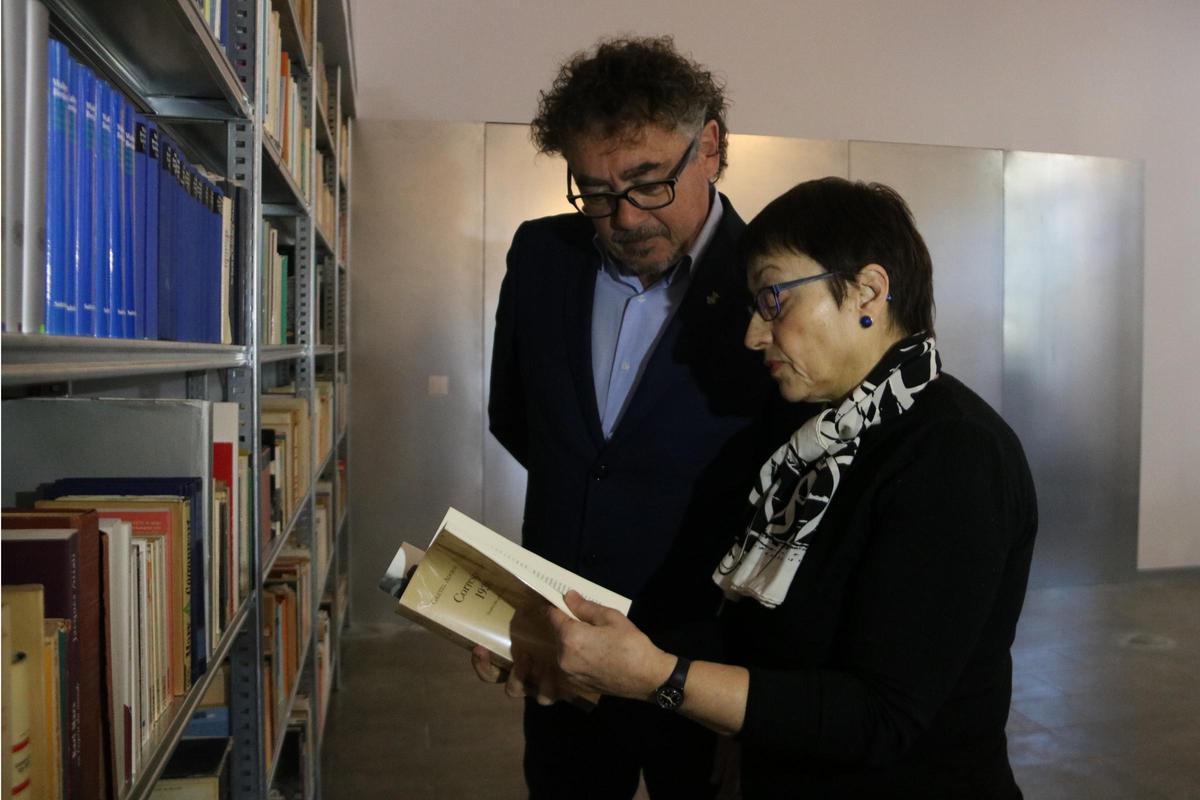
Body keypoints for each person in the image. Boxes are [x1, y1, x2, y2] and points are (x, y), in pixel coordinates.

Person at [485, 177, 1039, 799]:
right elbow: (771, 639)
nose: (752, 334)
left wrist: (662, 678)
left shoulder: (953, 452)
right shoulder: (819, 440)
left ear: (869, 291)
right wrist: (569, 642)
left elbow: (879, 716)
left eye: (774, 298)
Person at [483, 35, 798, 798]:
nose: (621, 216)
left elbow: (793, 502)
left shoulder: (777, 281)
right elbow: (520, 421)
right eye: (593, 190)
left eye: (648, 182)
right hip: (564, 647)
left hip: (705, 667)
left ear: (712, 147)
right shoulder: (541, 256)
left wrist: (752, 706)